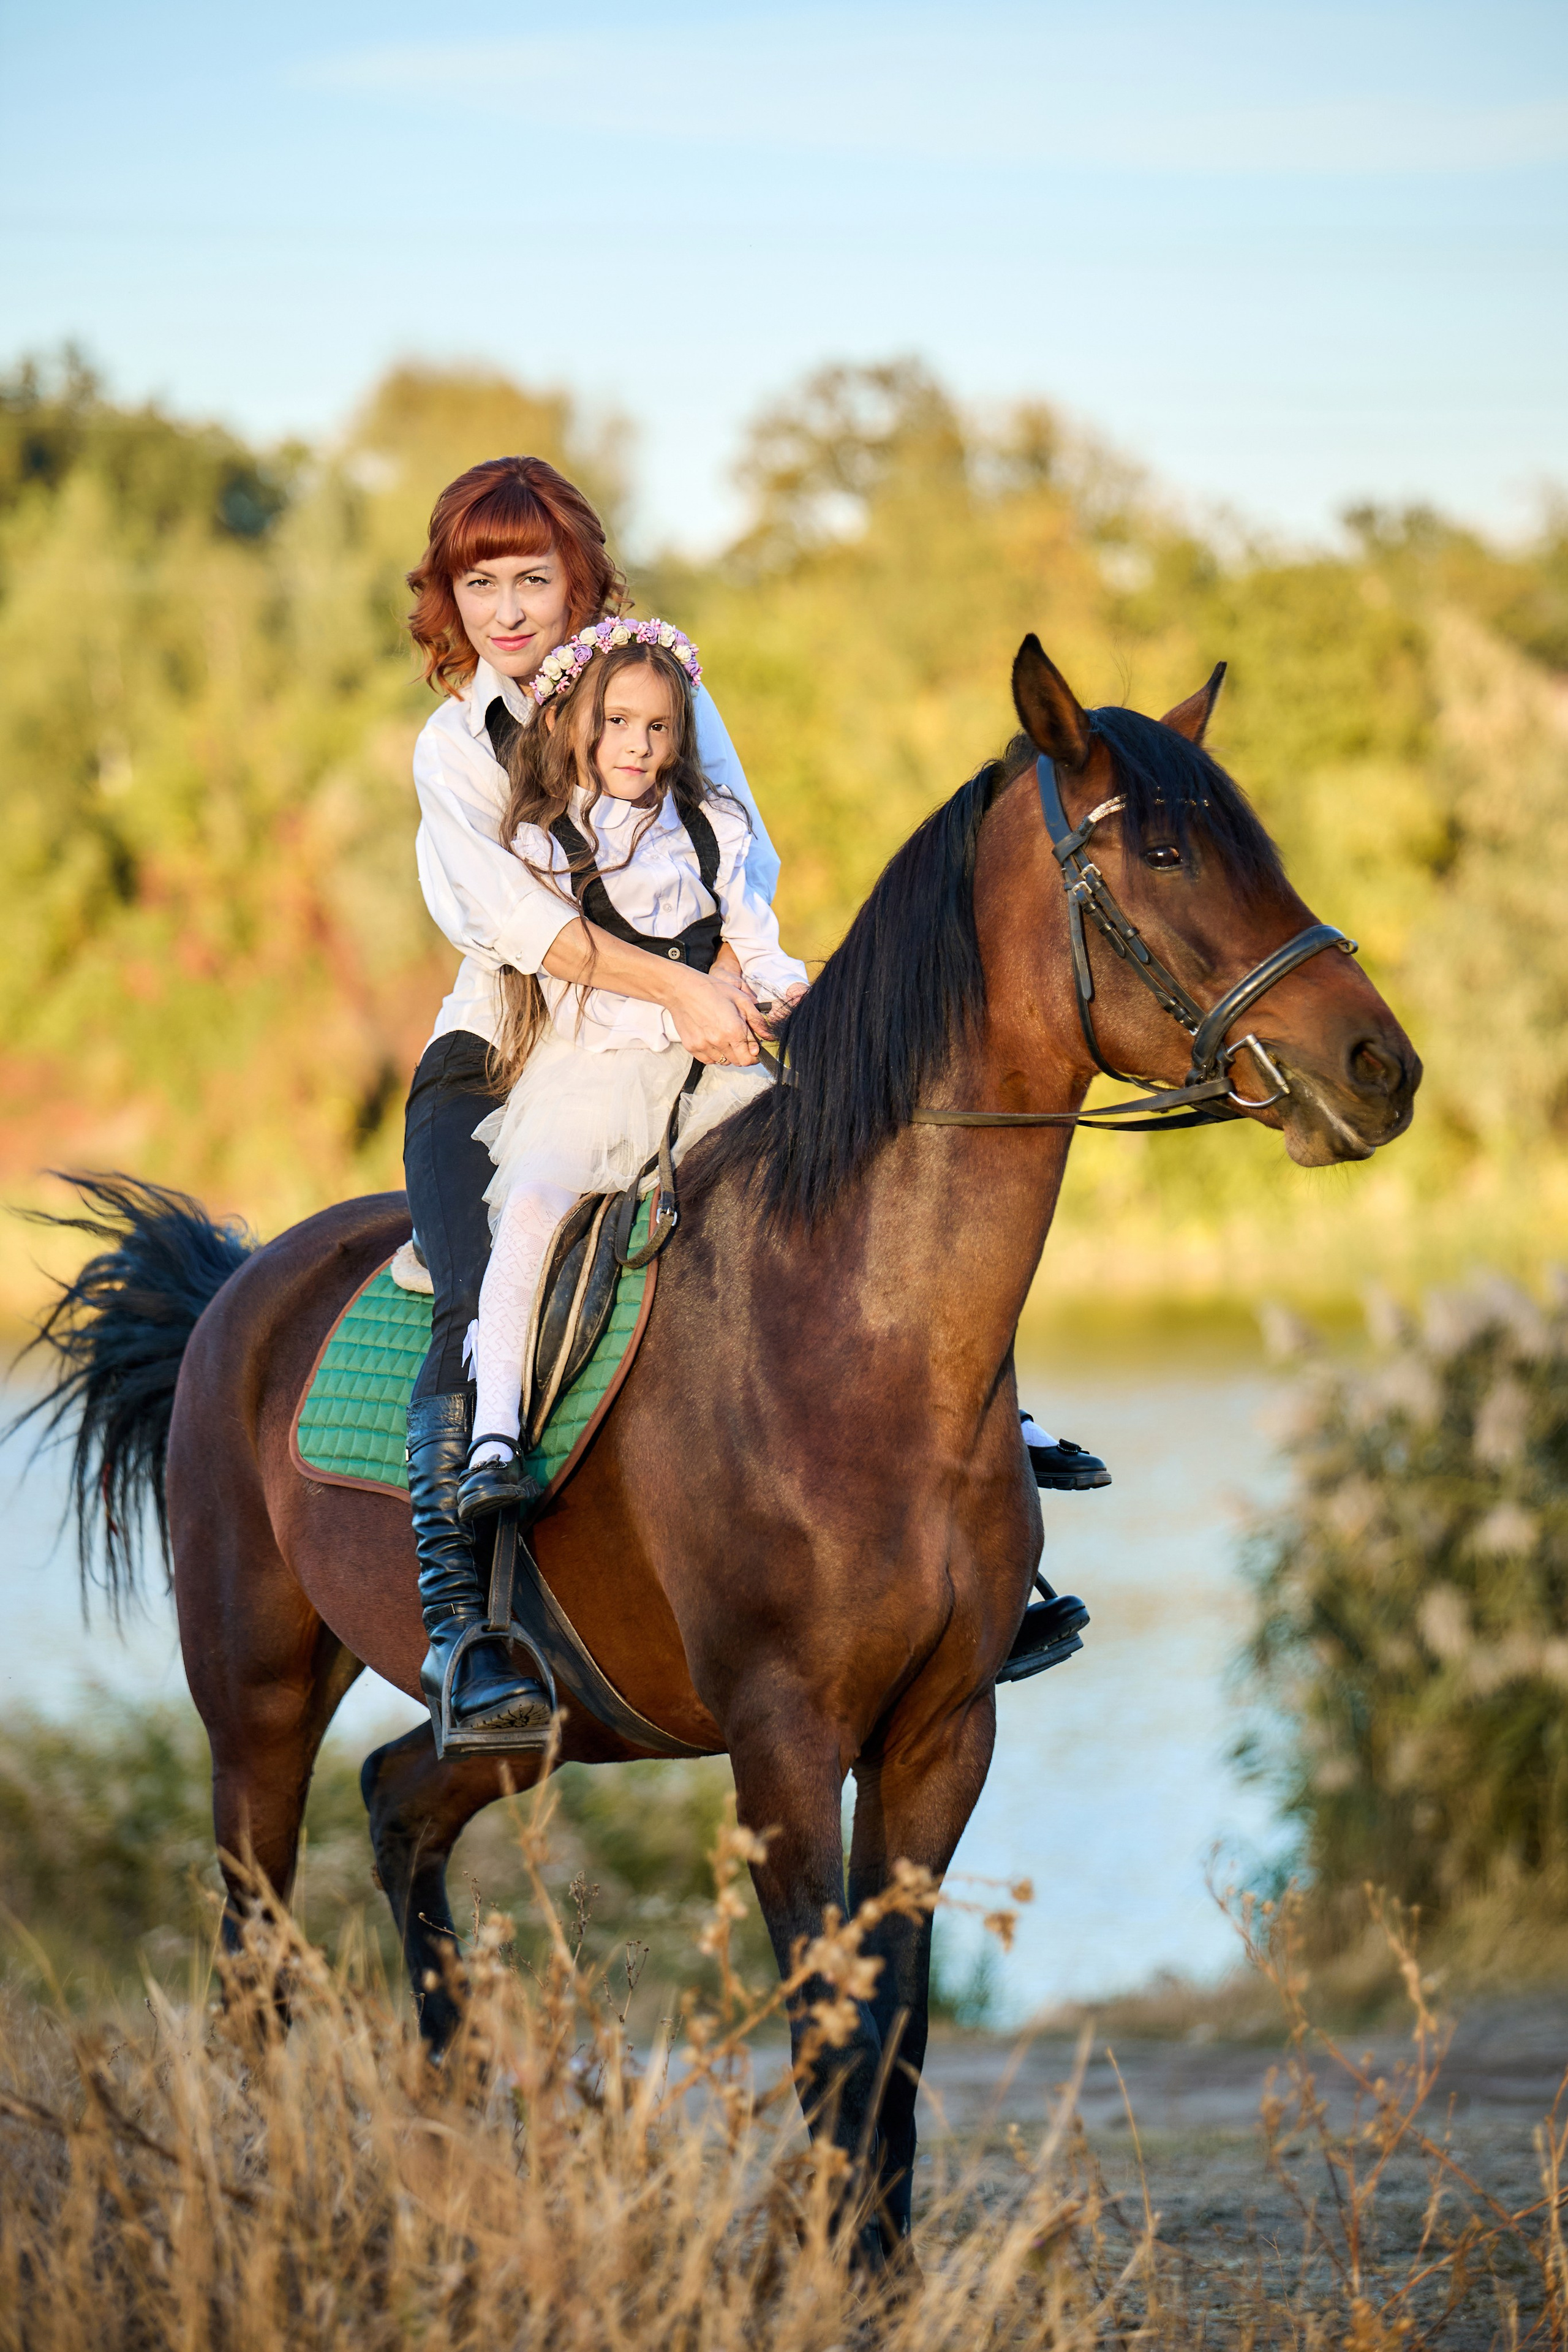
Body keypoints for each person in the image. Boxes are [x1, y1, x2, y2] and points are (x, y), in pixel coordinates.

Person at [404, 458, 776, 1741]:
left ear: (581, 582)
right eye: (478, 581)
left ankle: (974, 1509)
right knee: (476, 1283)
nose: (506, 608)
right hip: (506, 1057)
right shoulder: (453, 751)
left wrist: (728, 970)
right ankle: (466, 1634)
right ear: (449, 598)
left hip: (689, 1017)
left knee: (853, 1173)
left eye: (532, 578)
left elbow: (740, 838)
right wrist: (670, 991)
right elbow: (506, 916)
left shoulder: (656, 697)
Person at [457, 619, 807, 1526]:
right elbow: (573, 975)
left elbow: (756, 944)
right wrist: (687, 1006)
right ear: (578, 721)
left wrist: (766, 995)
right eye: (616, 722)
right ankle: (495, 1429)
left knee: (822, 1187)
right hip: (595, 1070)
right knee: (534, 1209)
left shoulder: (712, 825)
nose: (636, 746)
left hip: (710, 1068)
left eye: (657, 728)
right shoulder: (544, 839)